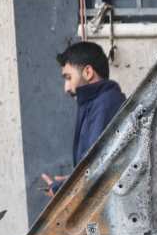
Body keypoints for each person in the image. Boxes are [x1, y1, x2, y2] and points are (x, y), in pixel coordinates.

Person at [42, 39, 126, 194]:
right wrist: (70, 182)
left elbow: (96, 170)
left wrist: (63, 189)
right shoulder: (97, 103)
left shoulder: (105, 104)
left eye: (68, 77)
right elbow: (93, 167)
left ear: (88, 72)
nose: (66, 88)